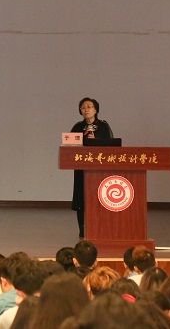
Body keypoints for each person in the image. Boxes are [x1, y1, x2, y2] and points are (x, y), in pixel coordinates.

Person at [70, 97, 113, 239]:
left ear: (96, 110)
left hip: (99, 170)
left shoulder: (103, 126)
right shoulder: (77, 127)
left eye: (89, 107)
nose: (86, 109)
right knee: (81, 199)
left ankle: (100, 228)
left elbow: (112, 146)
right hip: (81, 169)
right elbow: (69, 147)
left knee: (99, 198)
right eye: (83, 107)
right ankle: (82, 230)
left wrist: (97, 141)